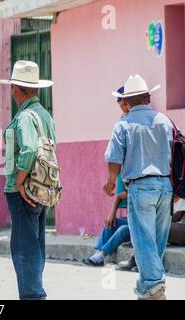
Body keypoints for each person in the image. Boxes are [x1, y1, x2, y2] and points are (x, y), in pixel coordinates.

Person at [104, 75, 174, 300]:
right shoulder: (164, 120)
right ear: (148, 97)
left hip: (141, 187)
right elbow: (176, 155)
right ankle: (149, 287)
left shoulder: (123, 124)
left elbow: (114, 159)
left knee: (143, 241)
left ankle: (153, 286)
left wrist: (111, 181)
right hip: (165, 185)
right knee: (156, 241)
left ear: (127, 101)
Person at [0, 60, 55, 300]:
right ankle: (34, 292)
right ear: (37, 89)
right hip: (42, 188)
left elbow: (29, 149)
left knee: (23, 248)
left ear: (15, 89)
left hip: (23, 190)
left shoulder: (23, 118)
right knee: (35, 243)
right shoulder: (44, 115)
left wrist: (19, 181)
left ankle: (33, 295)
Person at [83, 87, 131, 267]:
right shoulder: (121, 121)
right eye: (121, 105)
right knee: (112, 223)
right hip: (124, 177)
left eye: (126, 104)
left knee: (126, 227)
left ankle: (101, 253)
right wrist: (112, 183)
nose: (124, 107)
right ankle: (97, 253)